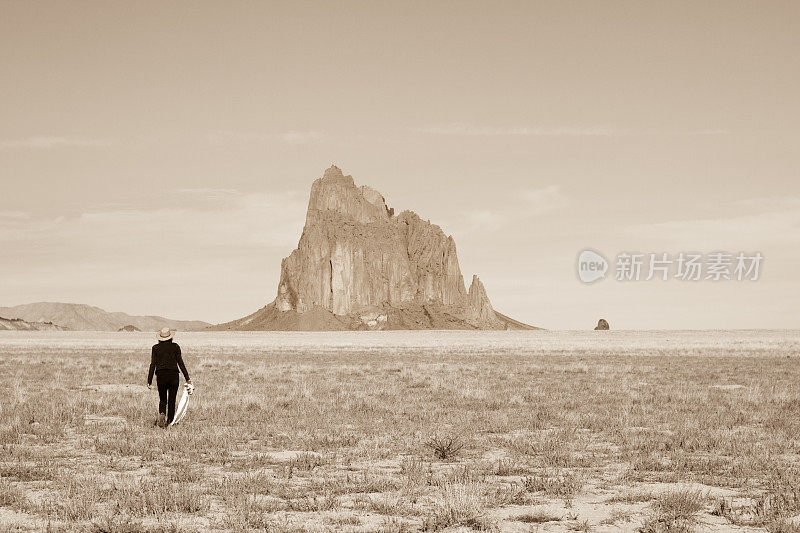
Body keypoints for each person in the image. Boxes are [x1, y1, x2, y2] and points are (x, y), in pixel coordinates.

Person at [147, 327, 191, 427]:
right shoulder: (175, 347)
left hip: (161, 375)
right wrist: (187, 378)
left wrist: (149, 381)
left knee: (163, 399)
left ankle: (162, 415)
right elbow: (180, 362)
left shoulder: (155, 348)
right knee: (172, 399)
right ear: (171, 337)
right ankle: (170, 422)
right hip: (173, 375)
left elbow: (152, 364)